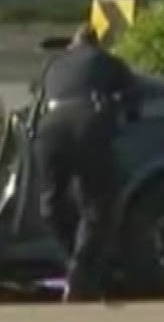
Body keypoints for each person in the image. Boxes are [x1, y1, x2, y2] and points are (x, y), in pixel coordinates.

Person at [32, 23, 142, 301]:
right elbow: (134, 99)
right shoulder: (108, 62)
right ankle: (81, 272)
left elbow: (37, 95)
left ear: (73, 43)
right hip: (89, 125)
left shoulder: (53, 64)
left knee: (50, 204)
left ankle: (77, 264)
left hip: (51, 128)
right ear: (96, 44)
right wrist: (122, 117)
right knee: (95, 206)